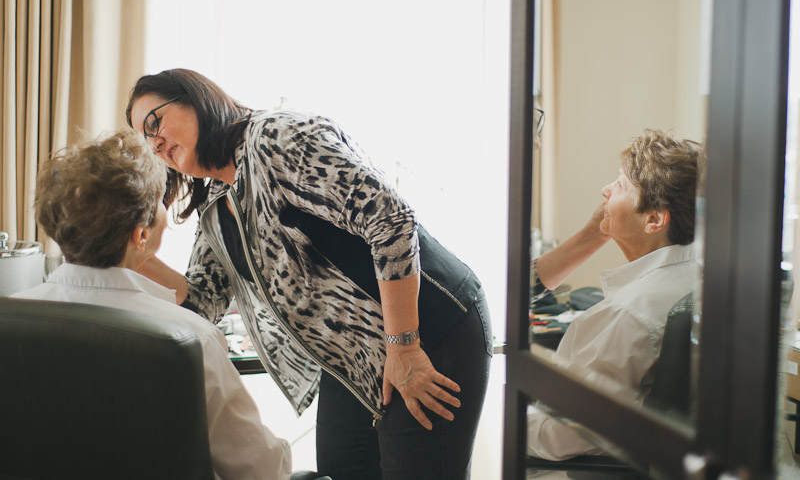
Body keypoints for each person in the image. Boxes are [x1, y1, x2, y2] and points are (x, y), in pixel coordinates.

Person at [125, 68, 492, 480]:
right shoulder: (215, 197)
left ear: (195, 98)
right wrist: (132, 251)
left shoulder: (276, 138)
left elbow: (390, 219)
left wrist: (404, 348)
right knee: (337, 472)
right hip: (352, 356)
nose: (154, 142)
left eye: (154, 122)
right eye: (145, 137)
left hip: (429, 331)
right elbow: (203, 302)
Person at [12, 130, 292, 480]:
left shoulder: (10, 319)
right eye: (161, 202)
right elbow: (259, 471)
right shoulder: (189, 338)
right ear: (141, 235)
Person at [526, 129, 702, 460]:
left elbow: (562, 435)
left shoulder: (627, 314)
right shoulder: (695, 276)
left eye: (620, 185)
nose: (605, 190)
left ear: (653, 219)